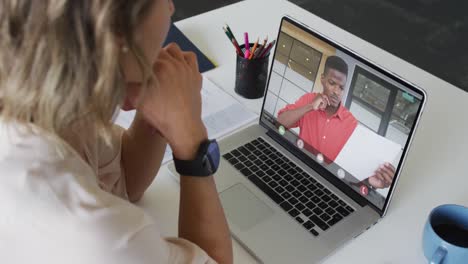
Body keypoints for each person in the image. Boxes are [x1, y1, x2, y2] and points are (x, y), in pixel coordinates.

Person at [0, 1, 232, 263]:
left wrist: (159, 109)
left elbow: (125, 175)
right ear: (114, 30)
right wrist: (192, 142)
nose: (171, 7)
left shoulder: (42, 98)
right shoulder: (109, 238)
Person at [277, 56, 394, 189]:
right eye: (332, 83)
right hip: (297, 172)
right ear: (322, 79)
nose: (337, 92)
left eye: (341, 87)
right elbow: (280, 122)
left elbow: (353, 168)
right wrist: (310, 107)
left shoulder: (351, 124)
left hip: (328, 187)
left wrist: (369, 181)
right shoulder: (308, 99)